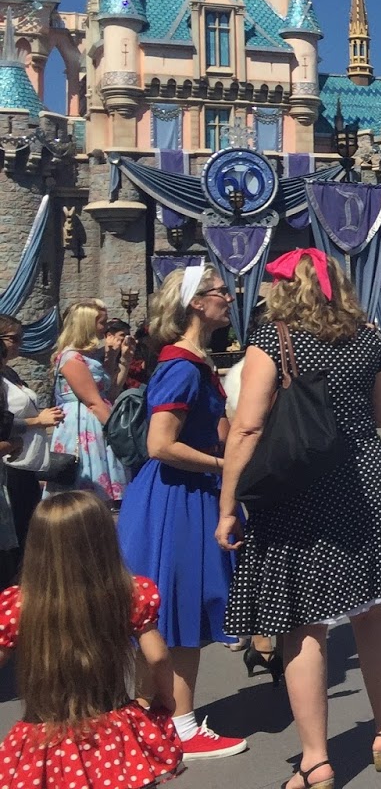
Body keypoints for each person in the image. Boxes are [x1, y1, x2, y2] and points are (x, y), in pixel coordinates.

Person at [218, 249, 381, 789]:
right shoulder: (364, 337)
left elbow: (246, 428)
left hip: (301, 485)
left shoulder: (275, 340)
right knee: (373, 610)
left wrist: (228, 504)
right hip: (365, 477)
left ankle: (315, 761)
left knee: (303, 623)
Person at [118, 264, 248, 762]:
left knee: (170, 610)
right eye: (220, 292)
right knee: (177, 609)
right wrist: (224, 464)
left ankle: (155, 719)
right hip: (177, 498)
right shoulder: (182, 366)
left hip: (179, 495)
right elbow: (160, 444)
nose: (228, 299)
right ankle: (181, 725)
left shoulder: (192, 361)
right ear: (196, 303)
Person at [0, 491, 184, 789]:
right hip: (113, 725)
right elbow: (158, 656)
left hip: (44, 734)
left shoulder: (18, 605)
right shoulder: (129, 593)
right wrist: (164, 697)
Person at [46, 300, 129, 503]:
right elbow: (93, 401)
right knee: (83, 489)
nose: (105, 328)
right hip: (83, 424)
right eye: (102, 322)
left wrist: (118, 359)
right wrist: (120, 433)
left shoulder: (86, 357)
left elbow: (108, 394)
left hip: (95, 420)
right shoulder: (72, 358)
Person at [0, 313, 64, 560]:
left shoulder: (11, 374)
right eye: (14, 339)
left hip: (25, 461)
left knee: (27, 534)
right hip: (10, 462)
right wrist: (37, 421)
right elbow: (4, 422)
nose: (19, 345)